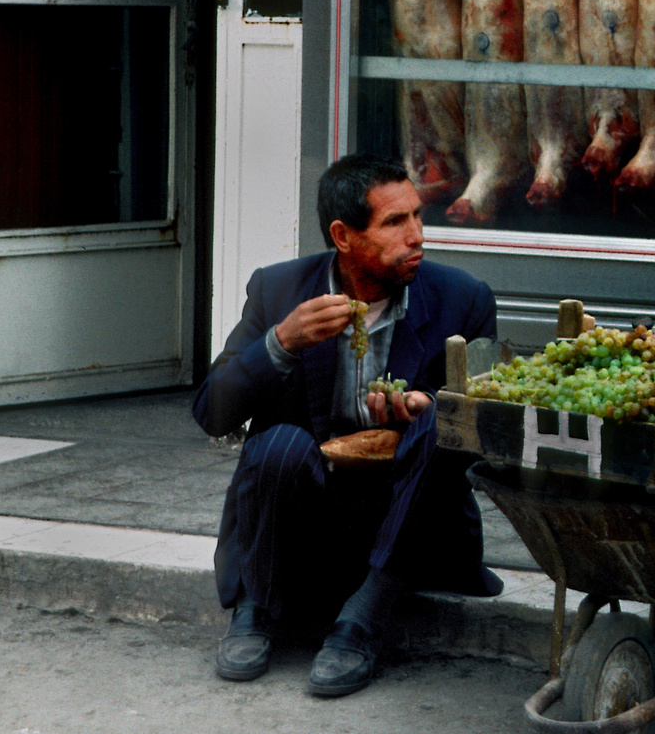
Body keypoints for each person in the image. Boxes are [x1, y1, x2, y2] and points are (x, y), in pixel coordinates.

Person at [193, 153, 501, 697]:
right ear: (343, 235)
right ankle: (256, 609)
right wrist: (280, 344)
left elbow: (491, 429)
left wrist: (427, 405)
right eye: (394, 223)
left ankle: (364, 617)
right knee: (278, 445)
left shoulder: (463, 298)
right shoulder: (279, 290)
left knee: (448, 415)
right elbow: (211, 412)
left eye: (417, 217)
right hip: (307, 520)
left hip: (411, 522)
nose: (417, 236)